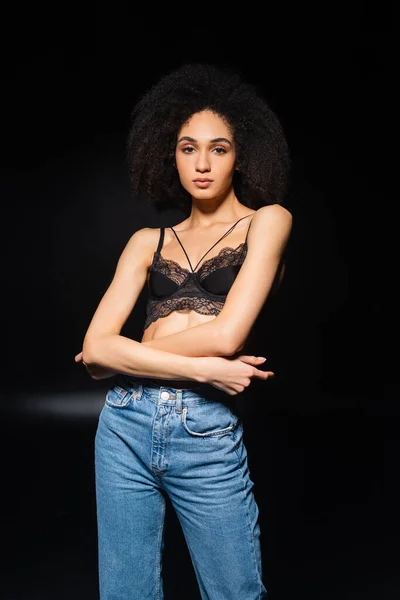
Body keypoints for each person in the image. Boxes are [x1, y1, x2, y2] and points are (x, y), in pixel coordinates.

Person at [75, 62, 292, 599]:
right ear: (168, 154)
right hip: (123, 423)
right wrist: (200, 368)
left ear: (241, 154)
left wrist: (119, 352)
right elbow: (96, 350)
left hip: (203, 429)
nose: (202, 163)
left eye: (218, 148)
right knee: (125, 592)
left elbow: (226, 337)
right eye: (187, 147)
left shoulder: (268, 221)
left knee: (235, 591)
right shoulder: (145, 241)